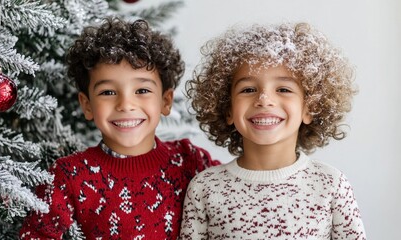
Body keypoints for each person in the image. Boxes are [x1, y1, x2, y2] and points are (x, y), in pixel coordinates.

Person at [19, 17, 218, 239]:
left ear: (166, 101)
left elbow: (241, 193)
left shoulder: (191, 162)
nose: (125, 105)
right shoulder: (69, 176)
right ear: (87, 105)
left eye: (142, 91)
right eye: (108, 92)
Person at [180, 22, 366, 239]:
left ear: (310, 107)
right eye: (248, 89)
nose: (264, 100)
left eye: (283, 89)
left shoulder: (331, 185)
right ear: (227, 108)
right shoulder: (205, 188)